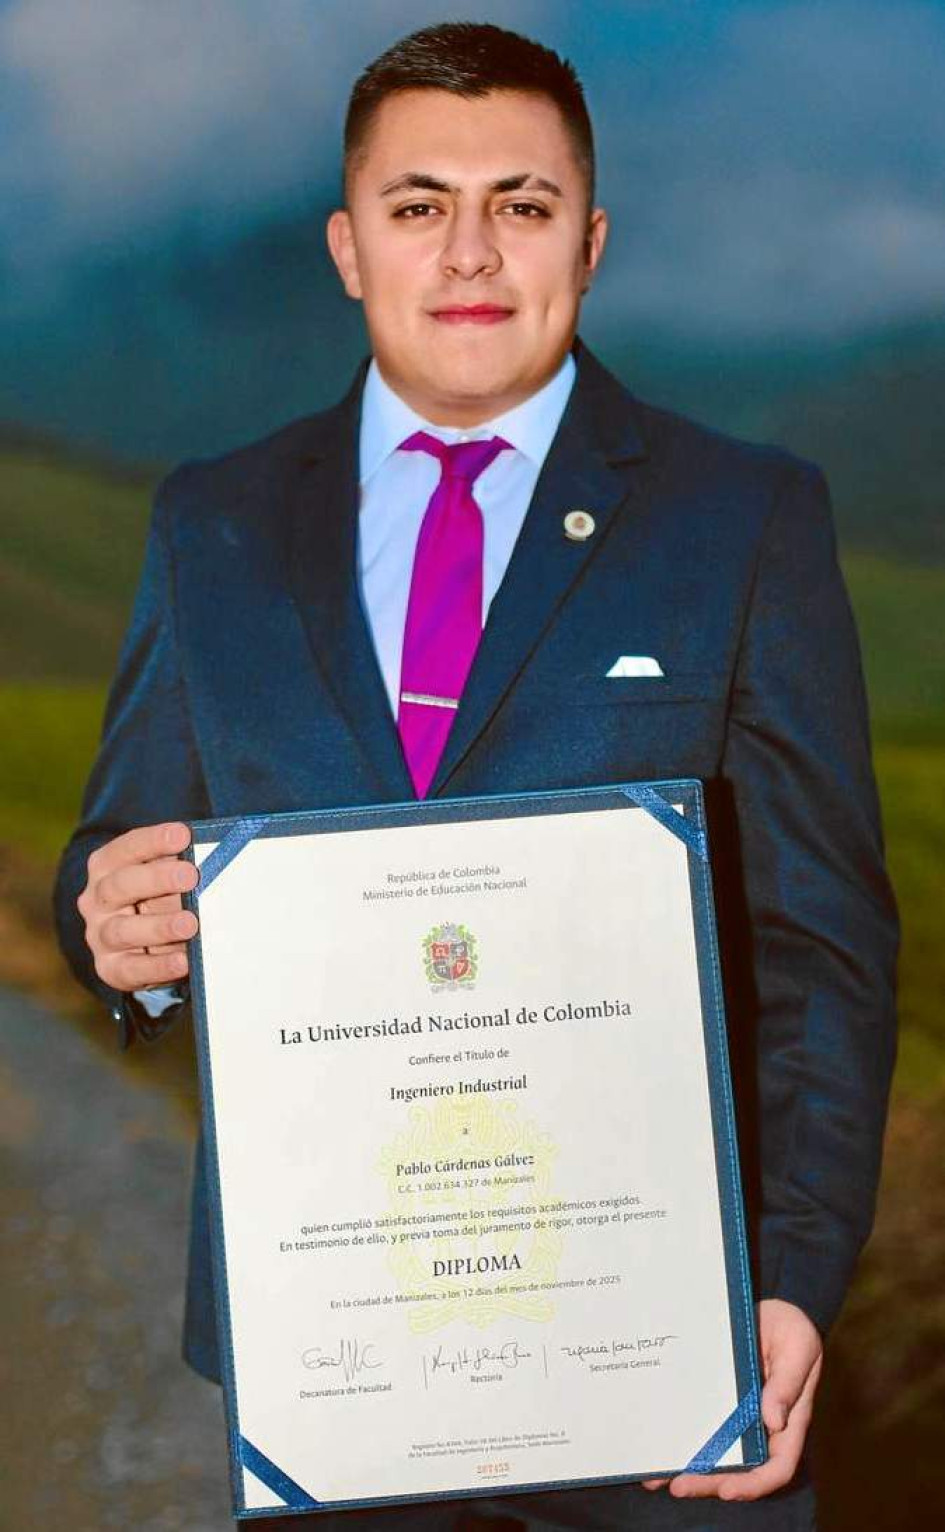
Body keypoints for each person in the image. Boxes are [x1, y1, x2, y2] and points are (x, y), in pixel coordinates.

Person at [53, 21, 897, 1531]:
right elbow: (118, 848)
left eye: (520, 203)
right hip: (338, 1374)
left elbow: (825, 951)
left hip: (668, 1362)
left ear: (590, 237)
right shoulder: (212, 523)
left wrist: (793, 1283)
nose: (469, 254)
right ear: (345, 245)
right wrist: (112, 930)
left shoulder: (747, 516)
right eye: (416, 204)